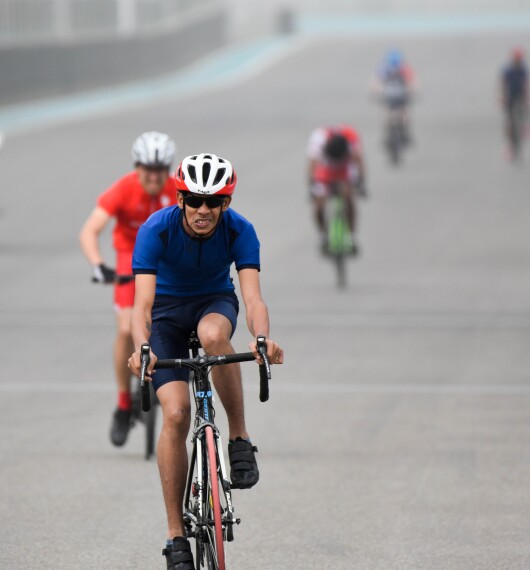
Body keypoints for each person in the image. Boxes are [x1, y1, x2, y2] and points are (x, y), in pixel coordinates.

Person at [127, 153, 284, 569]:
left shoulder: (240, 230)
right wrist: (143, 348)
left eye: (213, 202)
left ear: (225, 204)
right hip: (165, 318)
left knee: (217, 336)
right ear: (180, 199)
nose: (202, 210)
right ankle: (176, 536)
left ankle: (239, 440)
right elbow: (140, 306)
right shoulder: (155, 230)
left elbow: (252, 299)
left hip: (214, 304)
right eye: (194, 200)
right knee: (176, 414)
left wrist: (262, 339)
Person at [79, 131, 177, 446]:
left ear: (167, 169)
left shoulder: (178, 190)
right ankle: (123, 405)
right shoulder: (124, 188)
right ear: (137, 167)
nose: (152, 175)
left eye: (159, 169)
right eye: (147, 168)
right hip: (129, 262)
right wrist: (97, 264)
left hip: (165, 263)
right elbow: (90, 230)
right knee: (125, 330)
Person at [306, 126, 366, 253]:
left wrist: (361, 183)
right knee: (318, 204)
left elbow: (359, 162)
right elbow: (312, 167)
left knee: (348, 197)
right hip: (325, 170)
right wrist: (311, 187)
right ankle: (323, 235)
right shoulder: (318, 140)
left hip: (345, 170)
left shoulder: (352, 139)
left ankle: (352, 236)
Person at [374, 49, 416, 144]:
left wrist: (411, 91)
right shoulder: (384, 69)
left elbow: (411, 82)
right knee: (387, 115)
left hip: (401, 96)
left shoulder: (404, 69)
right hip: (390, 97)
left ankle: (405, 133)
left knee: (404, 114)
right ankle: (388, 136)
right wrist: (377, 91)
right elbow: (377, 83)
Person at [500, 47, 530, 160]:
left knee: (524, 112)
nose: (518, 61)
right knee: (510, 120)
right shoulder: (507, 70)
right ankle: (509, 143)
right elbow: (503, 84)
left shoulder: (523, 70)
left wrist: (527, 96)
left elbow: (526, 84)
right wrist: (503, 97)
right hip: (510, 97)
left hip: (520, 96)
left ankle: (525, 127)